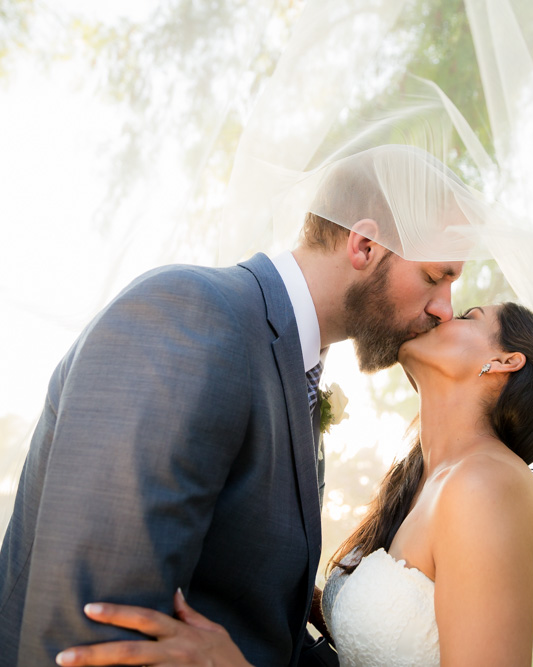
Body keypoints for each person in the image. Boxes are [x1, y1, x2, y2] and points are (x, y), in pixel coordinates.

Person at [0, 147, 468, 666]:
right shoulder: (191, 315)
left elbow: (265, 628)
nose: (444, 309)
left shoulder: (295, 371)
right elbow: (94, 630)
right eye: (434, 276)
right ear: (363, 245)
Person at [55, 301, 533, 666]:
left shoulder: (489, 487)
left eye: (468, 316)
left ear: (506, 361)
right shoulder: (427, 482)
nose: (442, 311)